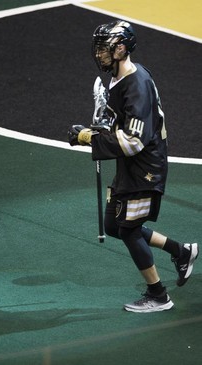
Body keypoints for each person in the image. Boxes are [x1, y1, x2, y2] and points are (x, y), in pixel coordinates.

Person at [68, 20, 198, 313]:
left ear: (121, 49)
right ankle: (181, 251)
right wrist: (102, 128)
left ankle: (158, 296)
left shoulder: (136, 85)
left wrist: (89, 138)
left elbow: (133, 141)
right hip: (132, 165)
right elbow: (120, 125)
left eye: (105, 49)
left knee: (128, 229)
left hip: (145, 167)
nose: (99, 54)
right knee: (114, 225)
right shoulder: (118, 77)